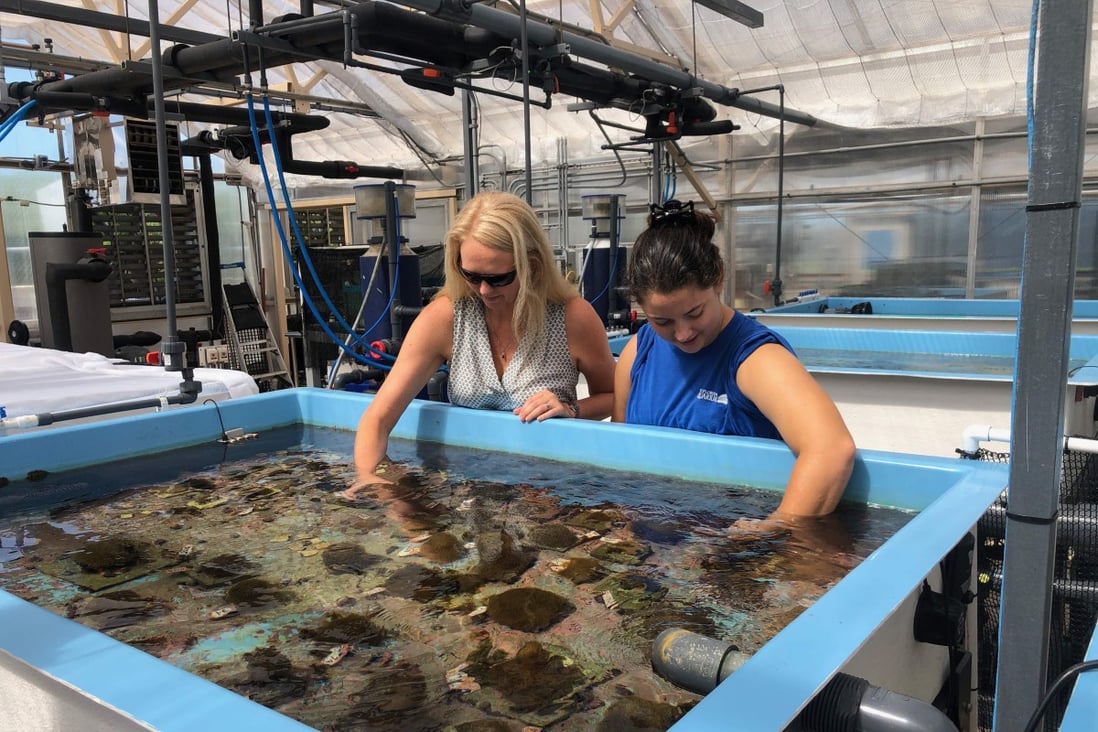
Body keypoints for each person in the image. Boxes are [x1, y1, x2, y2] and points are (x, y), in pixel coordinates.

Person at [346, 191, 616, 497]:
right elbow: (377, 419)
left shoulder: (573, 318)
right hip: (466, 487)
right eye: (471, 275)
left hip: (549, 491)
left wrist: (572, 408)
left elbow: (613, 396)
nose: (484, 290)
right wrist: (371, 478)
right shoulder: (445, 317)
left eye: (498, 278)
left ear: (533, 265)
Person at [612, 200, 855, 521]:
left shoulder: (756, 359)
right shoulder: (636, 353)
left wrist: (775, 528)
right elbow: (616, 453)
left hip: (729, 540)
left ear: (718, 280)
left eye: (694, 313)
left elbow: (831, 450)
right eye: (662, 321)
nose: (682, 333)